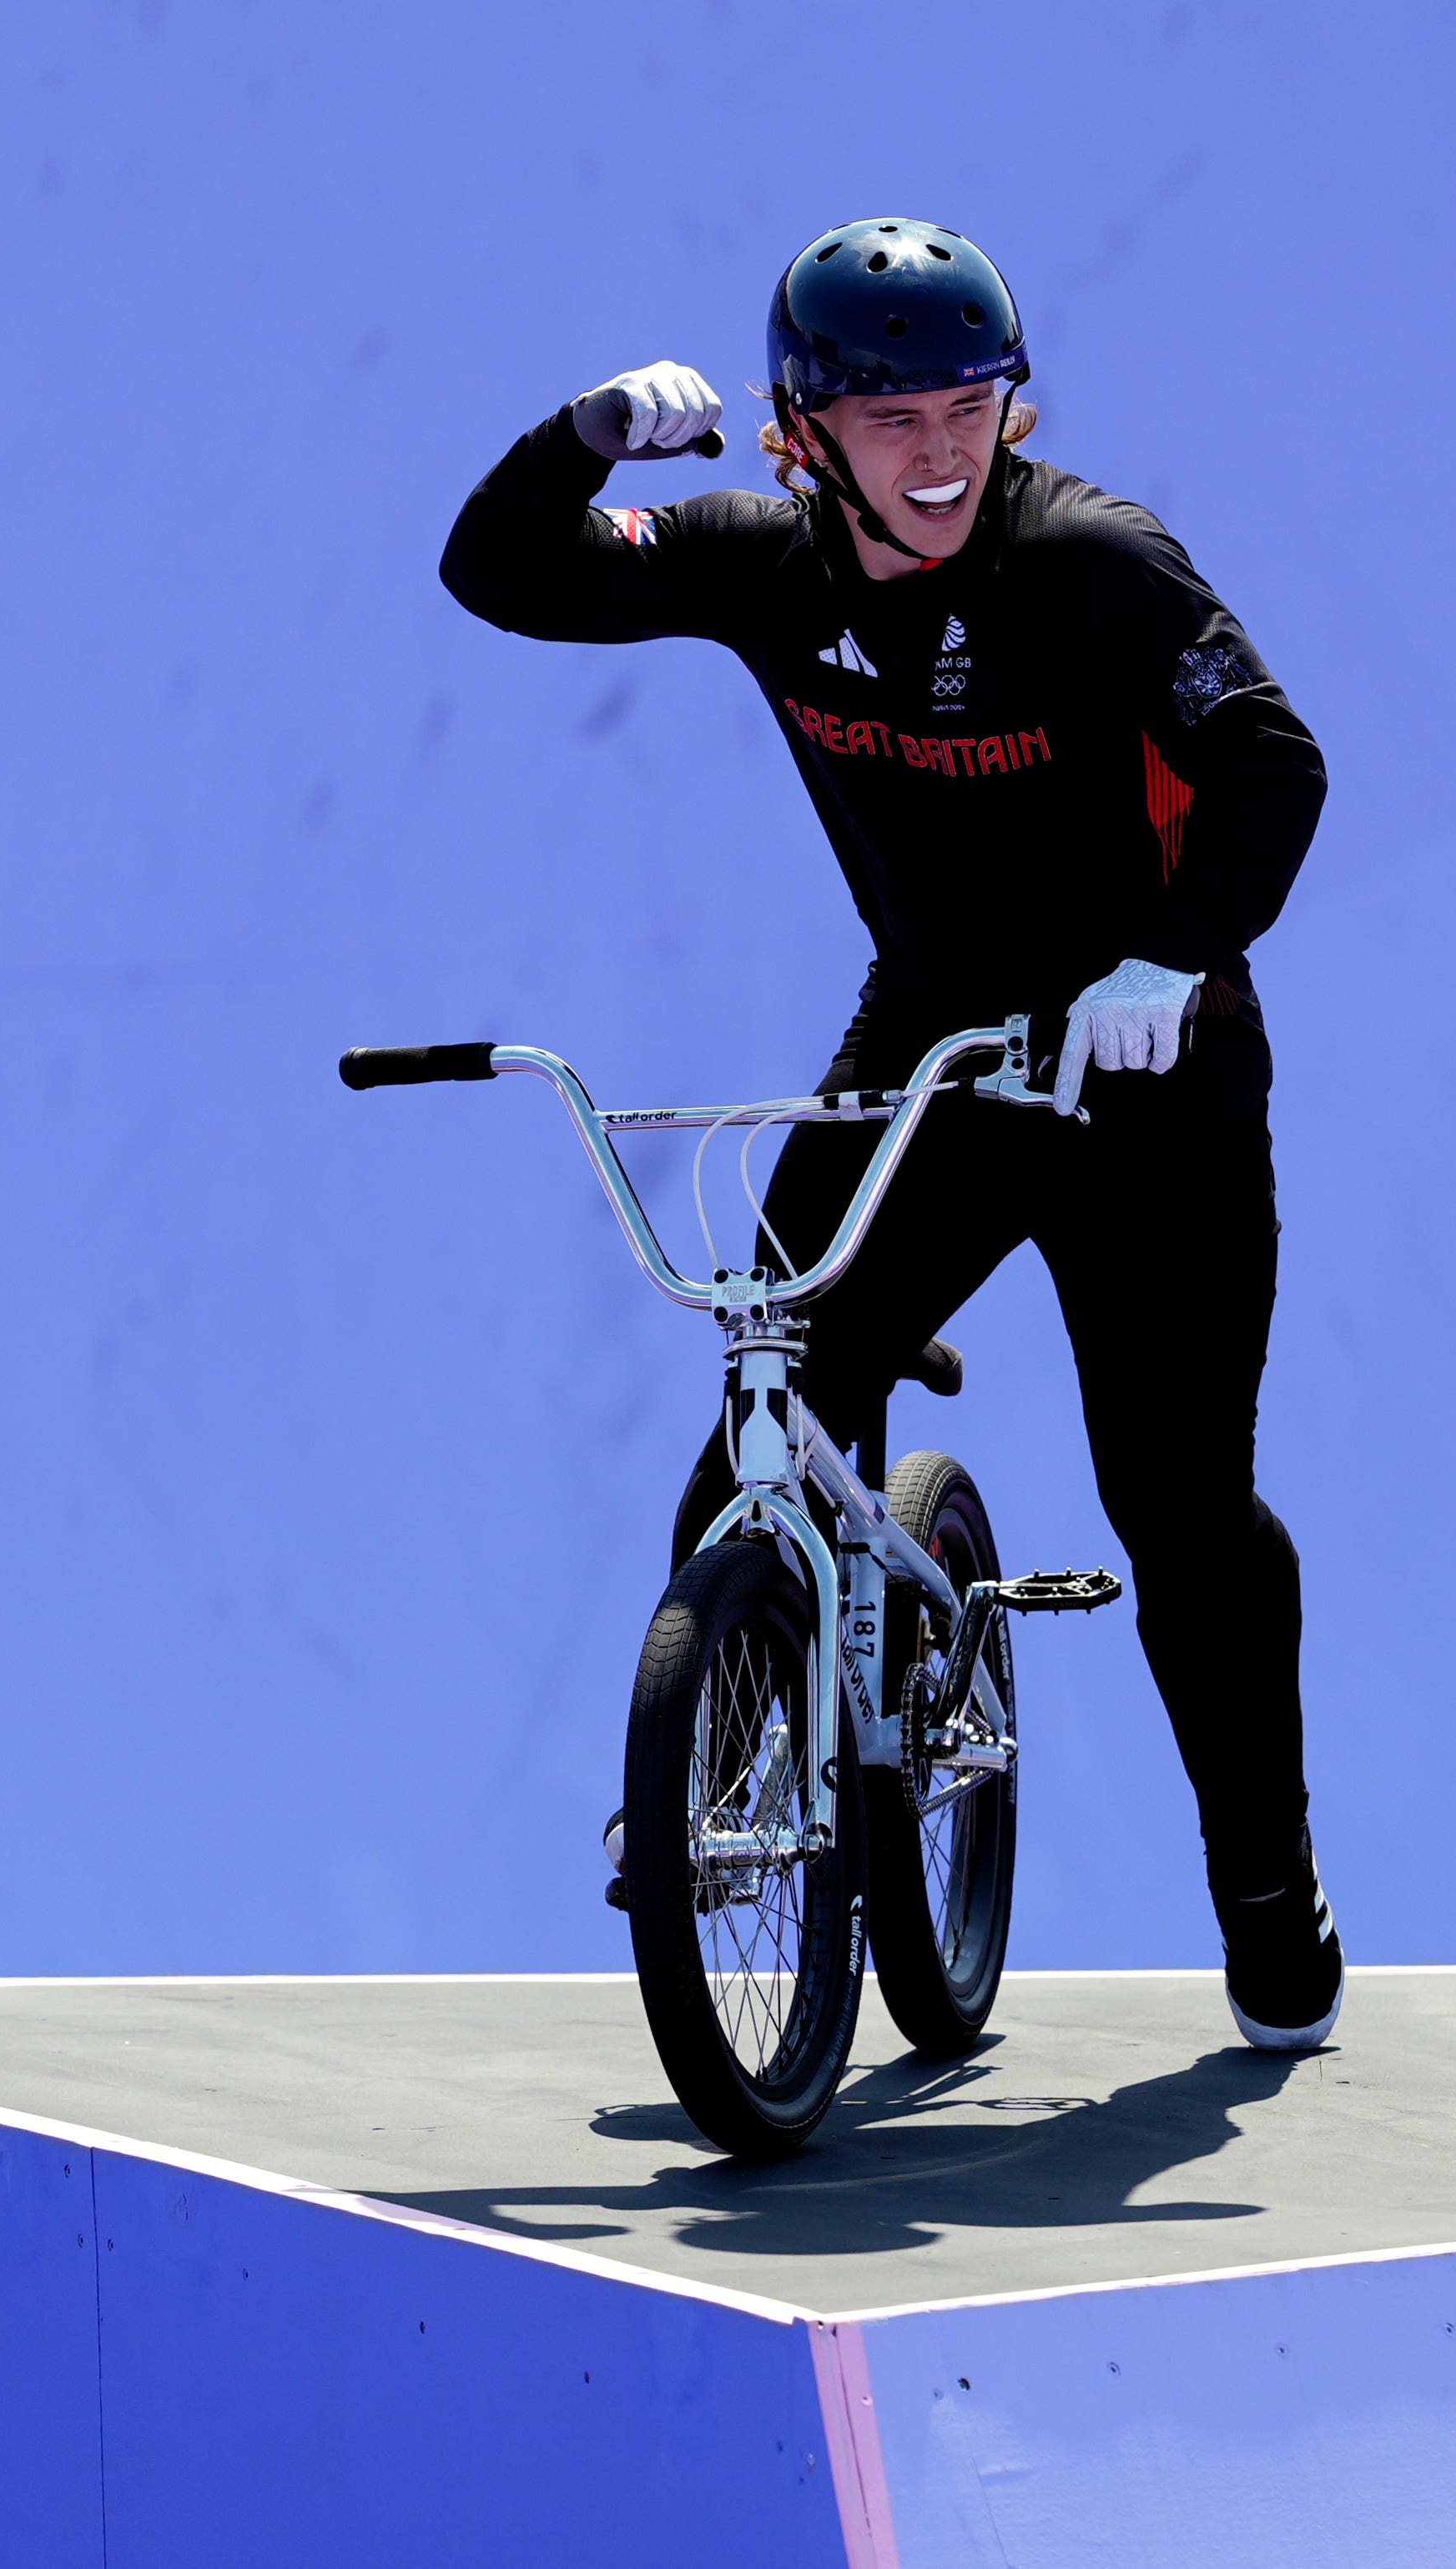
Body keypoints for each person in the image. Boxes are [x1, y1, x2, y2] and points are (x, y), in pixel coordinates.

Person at [438, 219, 1343, 2051]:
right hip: (929, 1046)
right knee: (770, 1399)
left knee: (1176, 1503)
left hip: (1142, 1078)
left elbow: (1269, 760)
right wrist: (584, 435)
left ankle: (1265, 1878)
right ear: (797, 432)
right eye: (892, 415)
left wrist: (1172, 952)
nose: (939, 451)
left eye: (970, 403)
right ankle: (717, 1780)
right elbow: (504, 573)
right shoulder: (759, 565)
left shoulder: (1093, 562)